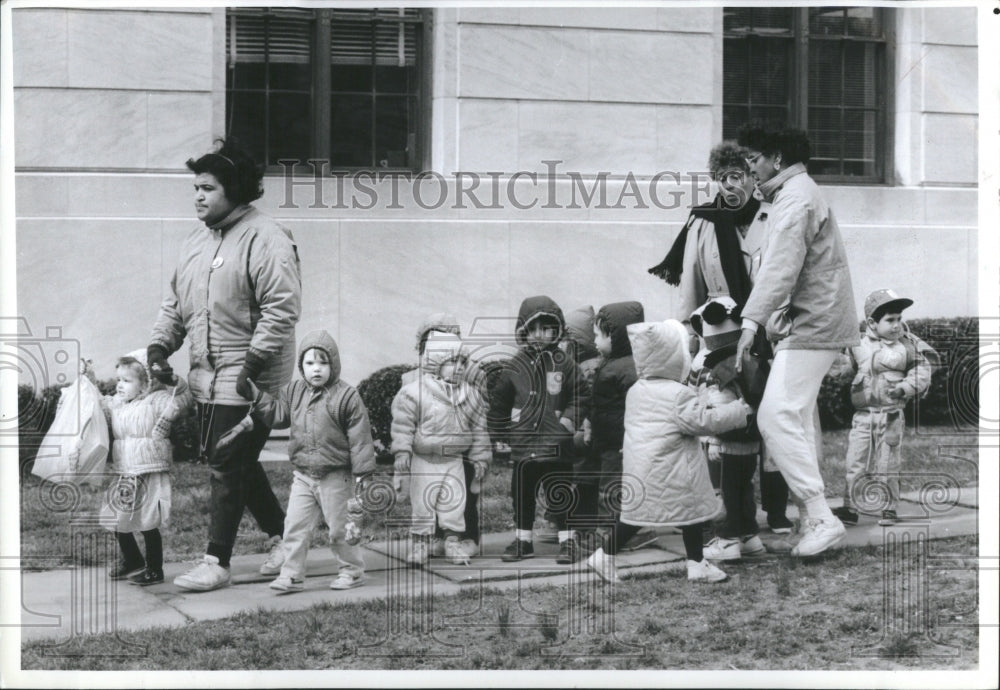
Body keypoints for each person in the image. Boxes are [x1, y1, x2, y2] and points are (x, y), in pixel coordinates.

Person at [149, 137, 302, 592]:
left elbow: (282, 308)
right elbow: (176, 304)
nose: (198, 196)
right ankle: (284, 539)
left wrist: (252, 366)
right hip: (208, 376)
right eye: (195, 188)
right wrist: (160, 348)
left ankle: (217, 561)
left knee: (227, 464)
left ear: (233, 189)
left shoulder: (267, 237)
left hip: (253, 376)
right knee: (236, 461)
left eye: (208, 188)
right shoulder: (196, 241)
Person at [649, 139, 792, 534]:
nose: (729, 185)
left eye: (737, 175)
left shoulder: (775, 214)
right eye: (721, 177)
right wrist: (688, 339)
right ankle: (731, 508)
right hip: (723, 332)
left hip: (771, 330)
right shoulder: (703, 221)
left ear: (751, 176)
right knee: (731, 417)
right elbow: (690, 285)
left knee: (775, 417)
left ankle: (777, 509)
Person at [735, 123, 859, 558]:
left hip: (814, 323)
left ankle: (820, 517)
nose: (748, 170)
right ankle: (814, 518)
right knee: (798, 419)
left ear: (777, 159)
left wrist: (751, 321)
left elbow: (780, 268)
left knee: (775, 417)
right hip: (812, 321)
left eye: (753, 160)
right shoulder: (796, 193)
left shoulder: (795, 197)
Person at [586, 320, 752, 584]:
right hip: (675, 469)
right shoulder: (678, 394)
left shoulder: (637, 390)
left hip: (643, 466)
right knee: (690, 512)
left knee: (641, 516)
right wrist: (738, 411)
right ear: (674, 357)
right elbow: (703, 422)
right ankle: (693, 563)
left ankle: (692, 563)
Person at [232, 330, 376, 593]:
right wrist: (257, 396)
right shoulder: (294, 391)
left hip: (335, 475)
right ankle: (291, 575)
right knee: (294, 527)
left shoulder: (346, 397)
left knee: (339, 529)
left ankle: (352, 571)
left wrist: (363, 472)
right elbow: (278, 416)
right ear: (301, 366)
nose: (316, 369)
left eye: (323, 362)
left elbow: (360, 437)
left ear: (334, 364)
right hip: (303, 475)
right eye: (310, 363)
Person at [488, 295, 586, 563]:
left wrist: (568, 422)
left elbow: (580, 396)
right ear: (523, 332)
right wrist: (498, 435)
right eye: (532, 329)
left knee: (561, 495)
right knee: (522, 496)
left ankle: (568, 542)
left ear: (557, 330)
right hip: (523, 448)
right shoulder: (514, 366)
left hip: (557, 447)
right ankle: (523, 541)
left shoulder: (565, 363)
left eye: (546, 328)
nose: (539, 335)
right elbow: (500, 403)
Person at [835, 289, 935, 527]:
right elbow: (842, 371)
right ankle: (850, 507)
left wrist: (905, 387)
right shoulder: (856, 344)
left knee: (888, 463)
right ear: (872, 322)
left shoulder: (907, 345)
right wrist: (830, 358)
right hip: (863, 415)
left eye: (899, 319)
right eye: (890, 320)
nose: (896, 325)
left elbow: (923, 370)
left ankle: (888, 508)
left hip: (891, 415)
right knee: (855, 461)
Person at [90, 350, 191, 586]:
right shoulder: (119, 404)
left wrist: (172, 385)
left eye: (127, 381)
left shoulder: (157, 400)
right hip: (126, 469)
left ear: (146, 383)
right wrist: (91, 380)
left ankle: (155, 569)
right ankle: (133, 559)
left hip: (149, 468)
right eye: (119, 380)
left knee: (147, 521)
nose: (120, 386)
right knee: (118, 517)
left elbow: (181, 400)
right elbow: (99, 403)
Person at [392, 332, 491, 566]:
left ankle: (452, 544)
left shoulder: (471, 395)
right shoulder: (415, 392)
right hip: (424, 459)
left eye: (462, 362)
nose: (458, 367)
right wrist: (402, 452)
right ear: (436, 362)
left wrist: (480, 458)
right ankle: (419, 545)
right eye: (451, 361)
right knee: (423, 504)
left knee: (454, 503)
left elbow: (479, 430)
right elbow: (402, 425)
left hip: (454, 459)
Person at [691, 298, 767, 561]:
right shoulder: (750, 361)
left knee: (722, 491)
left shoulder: (718, 369)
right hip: (750, 440)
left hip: (722, 444)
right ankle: (749, 535)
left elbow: (718, 407)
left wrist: (711, 437)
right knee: (743, 488)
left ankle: (726, 540)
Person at [588, 302, 654, 551]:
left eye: (597, 335)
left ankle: (609, 532)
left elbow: (637, 405)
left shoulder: (626, 368)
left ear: (615, 335)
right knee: (622, 485)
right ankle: (638, 530)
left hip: (619, 440)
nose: (594, 341)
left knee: (613, 486)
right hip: (612, 438)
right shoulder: (615, 362)